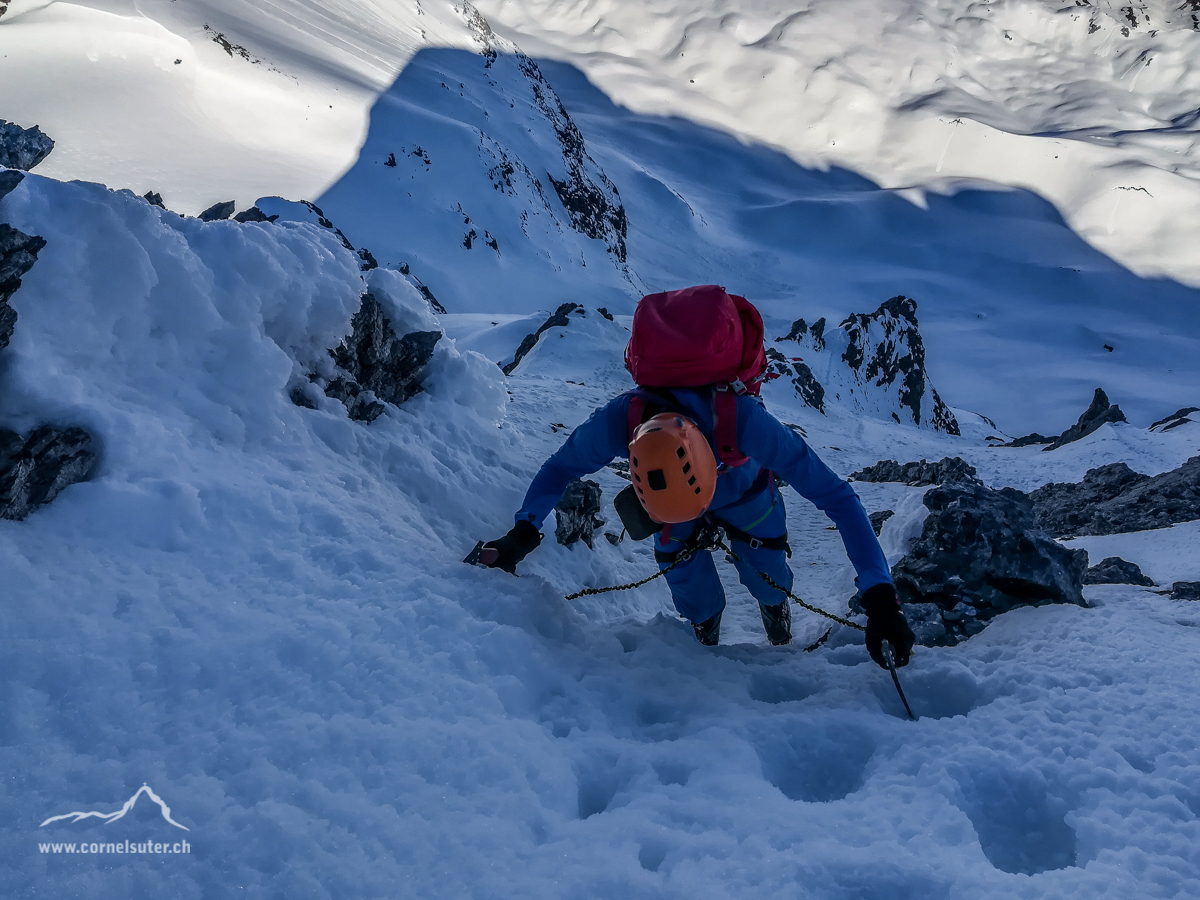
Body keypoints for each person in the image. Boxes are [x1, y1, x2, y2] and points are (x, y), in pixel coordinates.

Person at [480, 286, 915, 666]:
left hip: (724, 499)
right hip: (701, 504)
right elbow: (560, 467)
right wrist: (522, 530)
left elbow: (837, 496)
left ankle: (769, 615)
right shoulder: (626, 418)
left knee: (766, 578)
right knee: (699, 590)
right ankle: (714, 634)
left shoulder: (743, 421)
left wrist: (881, 598)